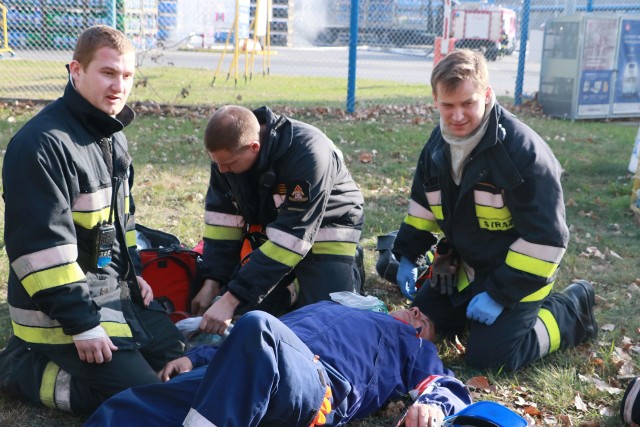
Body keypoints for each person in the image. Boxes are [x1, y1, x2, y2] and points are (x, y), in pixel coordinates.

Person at [0, 25, 184, 414]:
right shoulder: (41, 145)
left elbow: (120, 225)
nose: (119, 86)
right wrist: (82, 325)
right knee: (144, 400)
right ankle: (20, 368)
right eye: (108, 73)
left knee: (177, 359)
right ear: (75, 71)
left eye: (128, 76)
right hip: (58, 312)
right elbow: (41, 252)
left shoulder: (111, 133)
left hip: (108, 289)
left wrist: (136, 275)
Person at [393, 49, 597, 371]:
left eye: (467, 104)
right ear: (435, 100)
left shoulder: (521, 152)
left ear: (487, 95)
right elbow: (423, 206)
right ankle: (475, 313)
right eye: (448, 105)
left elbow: (547, 240)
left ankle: (571, 309)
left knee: (490, 360)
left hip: (519, 275)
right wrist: (408, 254)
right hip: (467, 266)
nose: (457, 116)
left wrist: (500, 294)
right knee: (421, 323)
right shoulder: (437, 144)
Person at [85, 301, 472, 427]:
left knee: (257, 323)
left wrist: (432, 407)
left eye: (422, 322)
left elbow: (446, 385)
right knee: (130, 405)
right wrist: (194, 356)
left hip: (313, 384)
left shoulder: (412, 344)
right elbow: (242, 348)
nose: (412, 314)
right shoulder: (333, 307)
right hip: (242, 371)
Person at [190, 105, 365, 335]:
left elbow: (292, 239)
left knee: (325, 323)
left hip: (328, 230)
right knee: (248, 317)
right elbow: (222, 223)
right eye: (216, 163)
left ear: (254, 147)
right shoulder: (228, 156)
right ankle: (290, 287)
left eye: (228, 164)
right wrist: (213, 281)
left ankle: (349, 267)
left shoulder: (308, 152)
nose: (221, 171)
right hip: (277, 232)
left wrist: (231, 299)